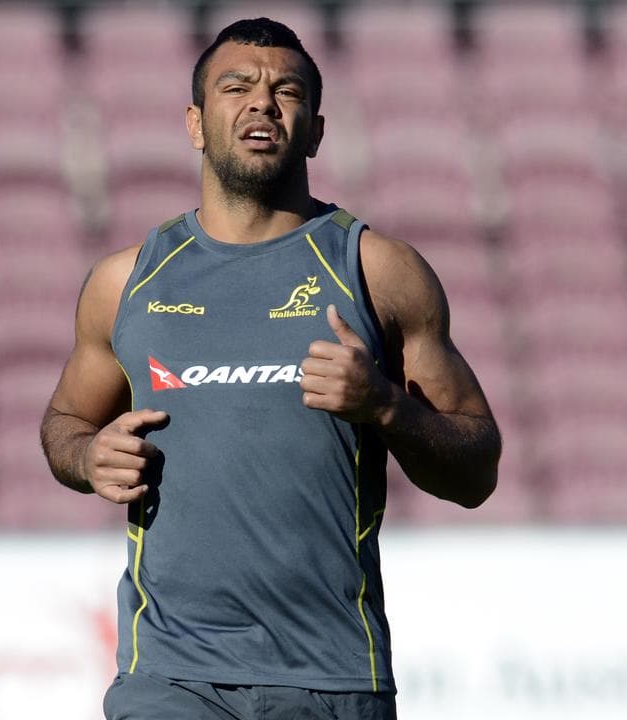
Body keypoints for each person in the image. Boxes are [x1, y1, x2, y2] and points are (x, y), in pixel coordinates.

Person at [40, 18, 500, 720]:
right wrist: (86, 455)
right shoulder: (126, 281)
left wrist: (384, 407)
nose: (262, 103)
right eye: (237, 87)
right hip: (169, 673)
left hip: (331, 675)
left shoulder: (379, 271)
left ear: (315, 130)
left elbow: (477, 471)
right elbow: (65, 423)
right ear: (196, 123)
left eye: (287, 90)